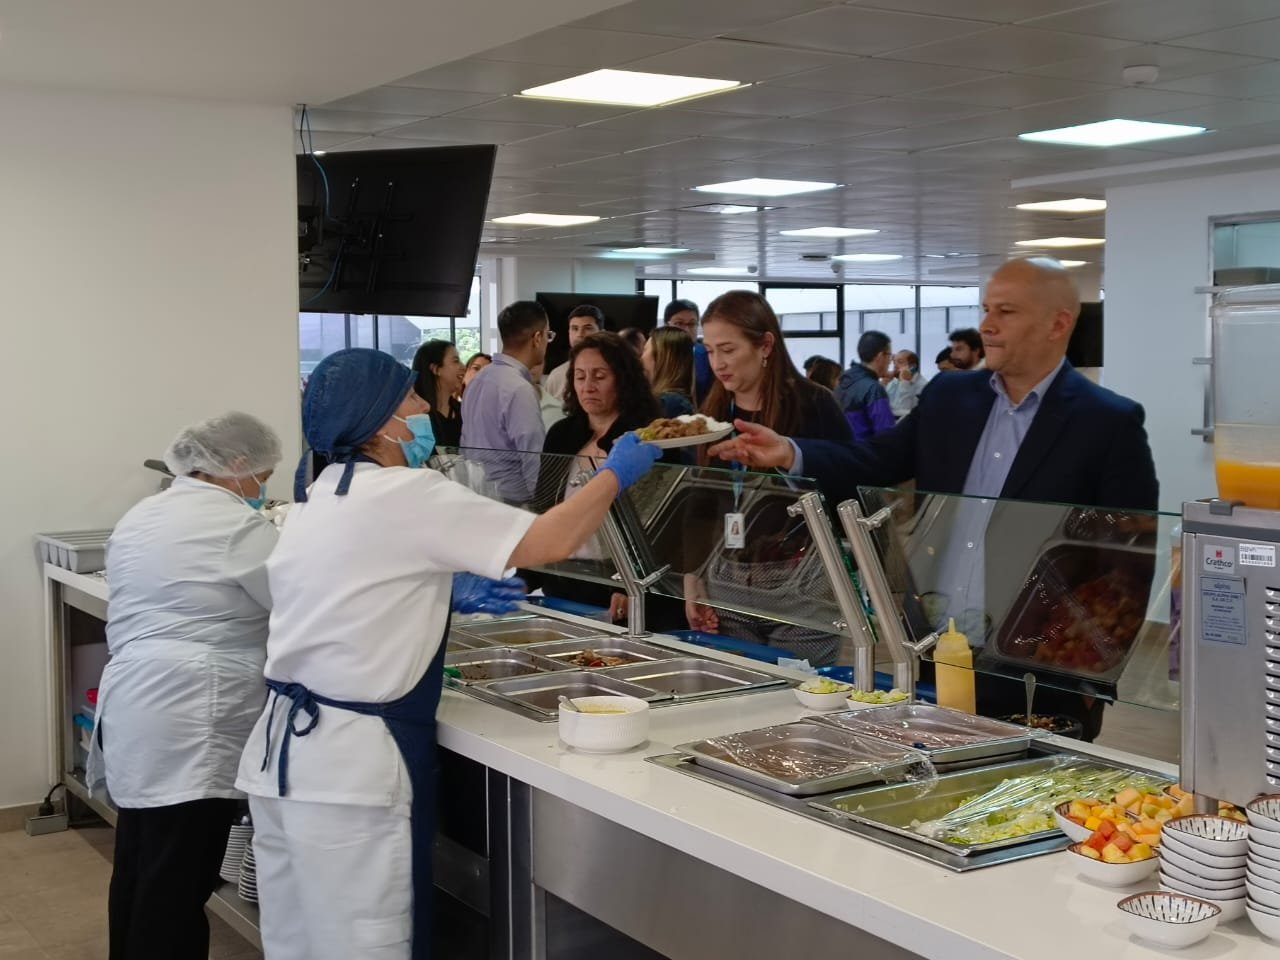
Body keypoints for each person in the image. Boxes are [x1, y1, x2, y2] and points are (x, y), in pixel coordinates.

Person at [234, 348, 659, 960]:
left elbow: (356, 584)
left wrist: (436, 589)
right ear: (381, 423)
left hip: (282, 762)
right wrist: (616, 472)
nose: (424, 408)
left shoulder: (323, 492)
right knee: (365, 944)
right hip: (351, 774)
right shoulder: (407, 491)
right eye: (410, 398)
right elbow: (555, 538)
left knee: (298, 941)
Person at [708, 258, 1159, 736]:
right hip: (934, 647)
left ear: (1058, 323)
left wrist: (1085, 675)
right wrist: (790, 451)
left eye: (1006, 311)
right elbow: (877, 461)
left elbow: (1126, 568)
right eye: (987, 309)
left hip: (1034, 665)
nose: (987, 325)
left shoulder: (1108, 422)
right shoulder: (951, 396)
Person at [88, 412, 282, 960]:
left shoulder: (142, 515)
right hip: (193, 714)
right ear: (237, 465)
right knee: (176, 883)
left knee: (141, 866)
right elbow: (298, 602)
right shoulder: (239, 527)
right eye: (264, 474)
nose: (264, 488)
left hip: (137, 703)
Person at [687, 290, 854, 665]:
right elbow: (702, 500)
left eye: (728, 349)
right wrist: (692, 575)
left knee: (799, 695)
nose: (718, 363)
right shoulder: (712, 412)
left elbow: (848, 485)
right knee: (737, 693)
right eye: (710, 350)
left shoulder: (815, 403)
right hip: (728, 578)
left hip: (802, 579)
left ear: (765, 345)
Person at [532, 332, 661, 618]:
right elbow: (543, 505)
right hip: (562, 576)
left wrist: (632, 584)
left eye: (599, 376)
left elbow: (659, 527)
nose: (588, 386)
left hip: (621, 584)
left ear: (623, 379)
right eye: (580, 377)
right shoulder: (561, 434)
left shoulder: (646, 438)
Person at [460, 301, 552, 502]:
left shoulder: (477, 381)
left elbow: (465, 445)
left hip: (477, 495)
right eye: (548, 335)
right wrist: (542, 506)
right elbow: (533, 456)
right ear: (537, 338)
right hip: (513, 504)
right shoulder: (518, 388)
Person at [540, 304, 603, 429]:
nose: (580, 334)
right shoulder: (556, 375)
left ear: (601, 332)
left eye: (588, 328)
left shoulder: (613, 372)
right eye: (574, 328)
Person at [835, 331, 896, 442]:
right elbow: (886, 433)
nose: (890, 361)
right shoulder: (873, 389)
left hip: (842, 453)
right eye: (889, 355)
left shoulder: (842, 380)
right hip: (865, 454)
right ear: (880, 355)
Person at [411, 339, 464, 448]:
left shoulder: (462, 410)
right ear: (436, 369)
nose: (463, 367)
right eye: (455, 361)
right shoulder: (417, 414)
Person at [664, 298, 713, 402]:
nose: (686, 330)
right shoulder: (656, 356)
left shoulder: (709, 355)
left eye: (691, 324)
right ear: (666, 326)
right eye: (679, 323)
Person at [642, 326, 696, 418]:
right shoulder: (672, 401)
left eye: (645, 350)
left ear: (661, 356)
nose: (641, 357)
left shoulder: (670, 403)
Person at [886, 349, 927, 418]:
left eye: (900, 362)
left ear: (912, 367)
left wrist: (905, 383)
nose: (895, 366)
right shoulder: (894, 382)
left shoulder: (923, 386)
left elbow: (904, 411)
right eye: (894, 362)